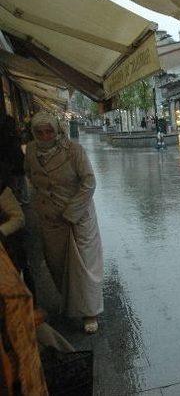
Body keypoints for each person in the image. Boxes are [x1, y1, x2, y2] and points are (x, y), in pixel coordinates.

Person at [24, 112, 104, 334]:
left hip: (77, 218)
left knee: (84, 267)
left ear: (57, 130)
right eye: (39, 132)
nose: (45, 136)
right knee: (57, 264)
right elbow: (30, 174)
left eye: (49, 131)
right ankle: (69, 303)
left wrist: (71, 211)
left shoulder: (74, 151)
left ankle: (90, 312)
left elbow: (89, 182)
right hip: (50, 218)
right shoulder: (31, 150)